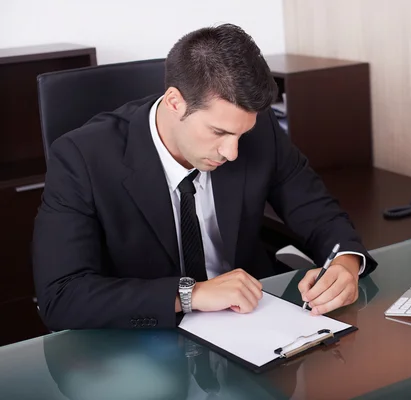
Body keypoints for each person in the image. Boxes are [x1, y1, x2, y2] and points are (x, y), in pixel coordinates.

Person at [32, 23, 377, 331]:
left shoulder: (257, 130)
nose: (232, 152)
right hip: (149, 337)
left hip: (252, 322)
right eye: (218, 132)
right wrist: (191, 294)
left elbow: (318, 211)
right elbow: (62, 296)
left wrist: (345, 263)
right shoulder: (81, 158)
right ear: (174, 103)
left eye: (241, 135)